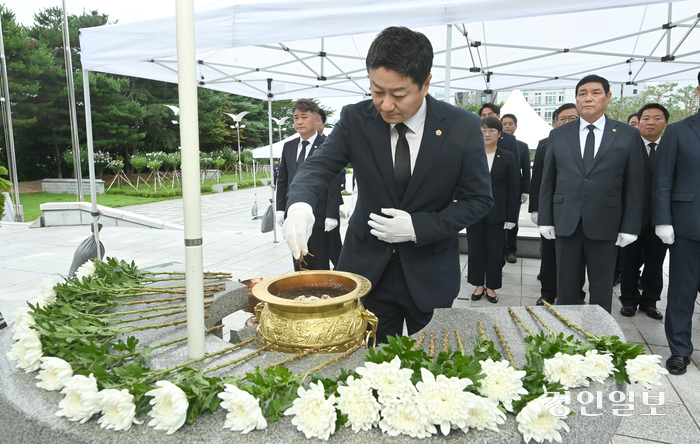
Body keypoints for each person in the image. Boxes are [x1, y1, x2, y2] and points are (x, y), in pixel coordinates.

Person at [282, 26, 493, 344]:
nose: (385, 104)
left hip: (430, 272)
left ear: (426, 84)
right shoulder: (356, 119)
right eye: (377, 91)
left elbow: (478, 199)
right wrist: (298, 204)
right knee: (372, 366)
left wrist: (418, 226)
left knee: (432, 366)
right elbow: (316, 168)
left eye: (398, 94)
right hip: (368, 271)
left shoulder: (461, 126)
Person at [538, 74, 644, 313]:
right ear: (576, 98)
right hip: (566, 220)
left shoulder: (627, 135)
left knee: (601, 285)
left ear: (607, 97)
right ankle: (566, 338)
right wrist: (545, 218)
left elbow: (635, 185)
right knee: (565, 286)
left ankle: (599, 339)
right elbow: (548, 180)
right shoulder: (559, 134)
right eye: (582, 93)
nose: (588, 98)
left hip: (606, 222)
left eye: (595, 93)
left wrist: (630, 225)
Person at [651, 70, 700, 375]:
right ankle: (680, 350)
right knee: (683, 291)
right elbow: (663, 179)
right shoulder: (680, 131)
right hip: (687, 227)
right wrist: (663, 221)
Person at [529, 103, 586, 306]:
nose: (567, 123)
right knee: (550, 256)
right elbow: (538, 181)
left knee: (578, 258)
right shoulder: (545, 146)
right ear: (554, 123)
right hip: (553, 212)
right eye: (563, 119)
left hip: (578, 212)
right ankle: (548, 293)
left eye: (573, 119)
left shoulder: (588, 145)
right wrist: (536, 209)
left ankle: (577, 293)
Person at [275, 99, 342, 271]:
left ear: (317, 119)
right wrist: (280, 208)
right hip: (294, 212)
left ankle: (322, 295)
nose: (299, 122)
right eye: (296, 117)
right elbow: (283, 179)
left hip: (320, 214)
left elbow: (334, 181)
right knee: (299, 257)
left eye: (304, 117)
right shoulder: (289, 146)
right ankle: (302, 293)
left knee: (319, 260)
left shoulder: (328, 145)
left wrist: (331, 214)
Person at [619, 103, 669, 320]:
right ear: (638, 122)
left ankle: (650, 301)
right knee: (628, 260)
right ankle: (628, 300)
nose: (651, 122)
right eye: (646, 118)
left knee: (655, 261)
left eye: (657, 118)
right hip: (631, 215)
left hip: (660, 216)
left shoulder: (670, 146)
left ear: (666, 123)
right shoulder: (627, 145)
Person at [467, 117, 519, 303]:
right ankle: (478, 285)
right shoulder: (472, 154)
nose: (487, 134)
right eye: (483, 130)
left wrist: (512, 216)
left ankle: (491, 287)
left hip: (498, 214)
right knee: (475, 249)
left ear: (500, 134)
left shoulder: (507, 156)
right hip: (475, 212)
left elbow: (513, 188)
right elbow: (464, 184)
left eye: (491, 130)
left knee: (496, 251)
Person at [500, 113, 531, 263]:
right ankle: (499, 251)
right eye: (504, 123)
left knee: (513, 221)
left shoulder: (522, 146)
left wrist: (526, 190)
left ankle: (511, 250)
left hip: (515, 190)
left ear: (516, 126)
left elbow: (526, 170)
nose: (507, 126)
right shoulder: (494, 143)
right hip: (498, 189)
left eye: (510, 124)